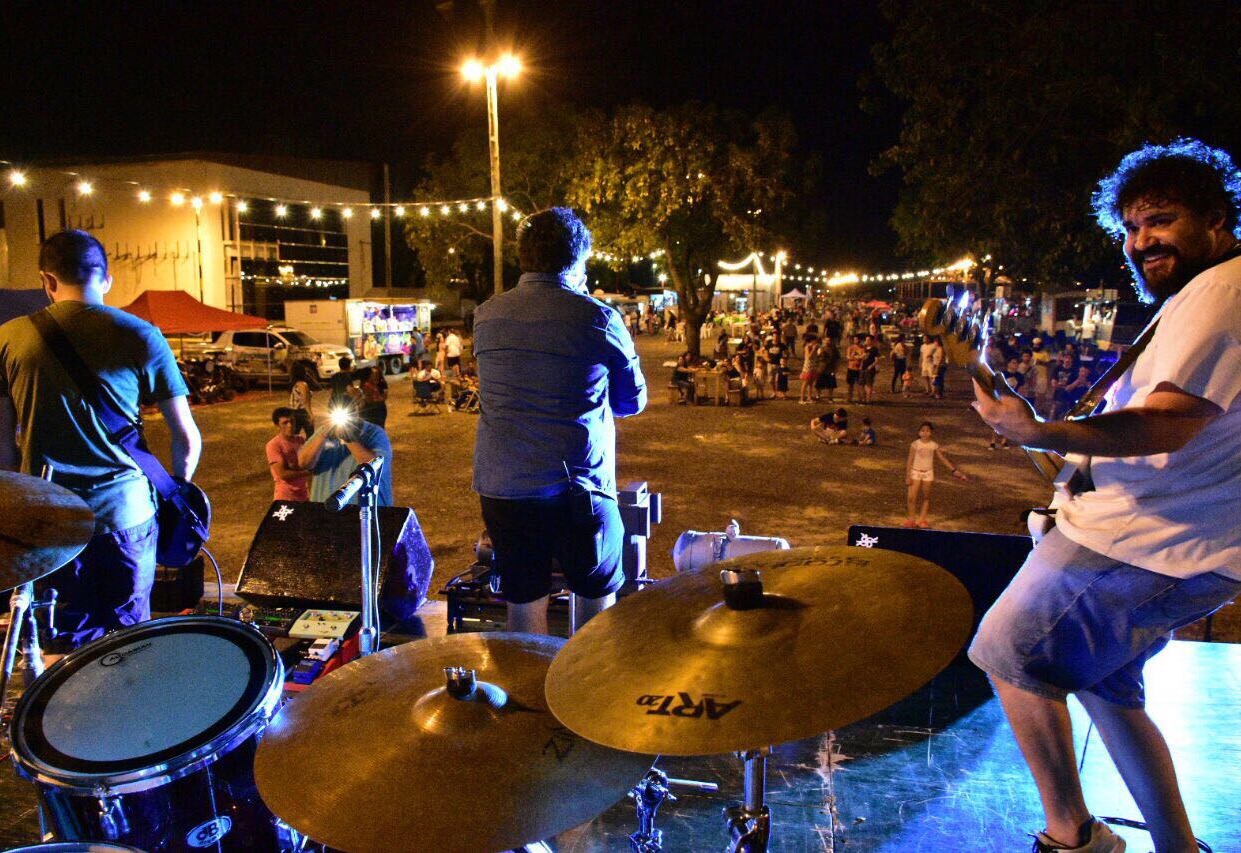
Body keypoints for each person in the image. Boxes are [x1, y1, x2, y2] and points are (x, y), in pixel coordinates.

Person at [971, 139, 1241, 853]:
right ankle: (1176, 847)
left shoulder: (1223, 291)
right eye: (1129, 227)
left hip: (1151, 543)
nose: (1139, 240)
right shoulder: (1202, 293)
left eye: (1159, 219)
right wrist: (1038, 437)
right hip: (1161, 535)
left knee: (1008, 652)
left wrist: (1043, 426)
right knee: (1106, 687)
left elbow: (1167, 422)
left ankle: (1074, 837)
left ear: (1215, 217)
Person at [0, 230, 202, 648]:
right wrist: (175, 488)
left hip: (47, 520)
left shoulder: (11, 336)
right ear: (106, 279)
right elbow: (186, 438)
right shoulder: (141, 334)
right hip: (125, 515)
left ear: (47, 281)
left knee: (62, 639)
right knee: (129, 639)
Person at [472, 207, 647, 635]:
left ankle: (528, 686)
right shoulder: (598, 317)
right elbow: (633, 400)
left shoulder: (486, 316)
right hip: (577, 488)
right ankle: (584, 691)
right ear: (578, 260)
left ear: (524, 257)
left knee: (523, 601)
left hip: (504, 487)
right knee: (594, 605)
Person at [298, 409, 393, 507]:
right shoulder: (323, 433)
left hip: (363, 513)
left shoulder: (374, 434)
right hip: (326, 510)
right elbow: (304, 463)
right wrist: (323, 436)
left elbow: (374, 467)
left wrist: (346, 437)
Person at [904, 420, 966, 528]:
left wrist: (954, 471)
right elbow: (910, 460)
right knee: (911, 497)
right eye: (922, 430)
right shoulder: (915, 444)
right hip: (915, 472)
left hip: (928, 473)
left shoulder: (934, 445)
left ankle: (922, 519)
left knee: (926, 497)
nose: (925, 433)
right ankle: (911, 519)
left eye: (927, 430)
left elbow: (943, 459)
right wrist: (908, 476)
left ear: (931, 432)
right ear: (919, 433)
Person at [266, 407, 310, 501]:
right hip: (286, 496)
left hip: (303, 494)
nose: (290, 425)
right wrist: (307, 472)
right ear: (277, 425)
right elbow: (283, 474)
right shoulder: (273, 445)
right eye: (285, 423)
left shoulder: (300, 440)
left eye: (292, 421)